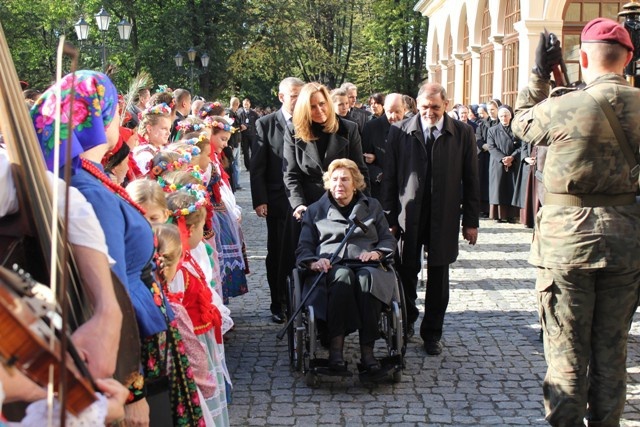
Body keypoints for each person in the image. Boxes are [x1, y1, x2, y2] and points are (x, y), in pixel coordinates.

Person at [31, 71, 202, 426]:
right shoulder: (87, 188)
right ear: (97, 117)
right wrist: (131, 388)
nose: (120, 119)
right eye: (114, 110)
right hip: (131, 353)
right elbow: (109, 291)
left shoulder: (87, 176)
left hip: (138, 341)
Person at [511, 18, 640, 426]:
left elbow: (520, 122)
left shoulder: (565, 104)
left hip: (566, 246)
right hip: (626, 242)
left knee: (566, 352)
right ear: (629, 58)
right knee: (612, 353)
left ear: (583, 57)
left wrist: (537, 77)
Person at [381, 82, 479, 356]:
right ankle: (408, 321)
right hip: (408, 215)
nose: (430, 112)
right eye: (424, 106)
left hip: (444, 215)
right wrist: (388, 216)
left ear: (446, 105)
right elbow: (389, 177)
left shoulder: (462, 133)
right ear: (416, 105)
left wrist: (471, 221)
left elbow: (471, 180)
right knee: (405, 271)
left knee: (439, 275)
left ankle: (432, 333)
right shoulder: (400, 131)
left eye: (435, 107)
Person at [297, 159, 396, 375]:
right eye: (334, 179)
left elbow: (388, 241)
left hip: (366, 263)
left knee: (366, 279)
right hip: (330, 268)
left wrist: (377, 253)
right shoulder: (315, 210)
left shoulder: (372, 207)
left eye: (345, 179)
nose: (339, 184)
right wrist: (314, 262)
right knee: (342, 277)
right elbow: (304, 247)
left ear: (356, 183)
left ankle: (368, 353)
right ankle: (336, 352)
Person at [250, 77, 304, 323]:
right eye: (294, 95)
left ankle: (302, 300)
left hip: (305, 200)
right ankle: (278, 302)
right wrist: (260, 200)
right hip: (277, 200)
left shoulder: (308, 121)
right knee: (279, 252)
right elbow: (258, 166)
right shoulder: (265, 124)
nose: (298, 100)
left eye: (300, 95)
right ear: (282, 97)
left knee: (303, 250)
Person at [361, 93, 407, 200]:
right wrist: (379, 176)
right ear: (384, 108)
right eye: (389, 112)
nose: (393, 117)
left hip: (405, 188)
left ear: (404, 109)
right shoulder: (371, 127)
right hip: (380, 190)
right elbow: (362, 159)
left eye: (398, 112)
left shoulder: (412, 127)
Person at [487, 104, 521, 223]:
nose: (503, 118)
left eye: (506, 116)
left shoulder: (517, 130)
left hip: (513, 163)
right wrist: (503, 159)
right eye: (501, 116)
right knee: (498, 188)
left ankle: (512, 215)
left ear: (510, 116)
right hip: (498, 164)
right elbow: (491, 147)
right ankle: (498, 215)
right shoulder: (492, 130)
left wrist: (512, 157)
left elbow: (522, 146)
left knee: (512, 188)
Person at [475, 99, 500, 217]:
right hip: (485, 155)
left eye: (492, 110)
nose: (490, 112)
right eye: (489, 110)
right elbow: (478, 137)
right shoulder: (483, 123)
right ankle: (484, 208)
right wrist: (483, 145)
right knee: (484, 181)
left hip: (497, 156)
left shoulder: (501, 122)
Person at [238, 98, 259, 171]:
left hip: (252, 135)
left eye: (247, 104)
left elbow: (257, 123)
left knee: (254, 150)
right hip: (244, 136)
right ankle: (248, 167)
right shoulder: (240, 114)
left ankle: (254, 165)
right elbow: (238, 124)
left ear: (249, 104)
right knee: (246, 152)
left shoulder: (254, 114)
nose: (246, 106)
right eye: (244, 104)